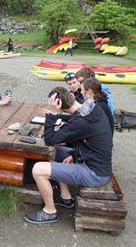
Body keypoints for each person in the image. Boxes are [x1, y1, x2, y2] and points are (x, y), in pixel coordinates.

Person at [24, 87, 112, 224]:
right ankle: (65, 197)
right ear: (71, 96)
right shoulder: (90, 108)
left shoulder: (81, 122)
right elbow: (75, 121)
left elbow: (50, 139)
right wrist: (74, 154)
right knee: (54, 151)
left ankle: (49, 211)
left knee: (38, 169)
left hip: (94, 173)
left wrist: (53, 114)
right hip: (92, 159)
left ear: (58, 105)